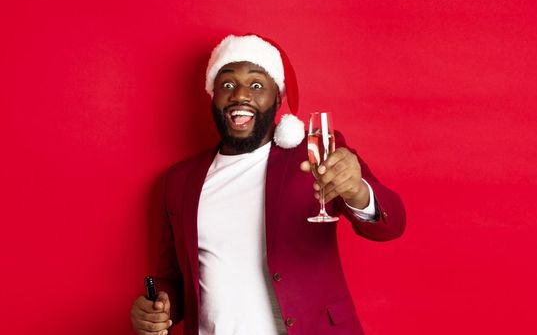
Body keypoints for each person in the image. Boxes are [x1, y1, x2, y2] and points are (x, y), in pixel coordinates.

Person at [130, 34, 406, 335]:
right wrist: (155, 310)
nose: (240, 95)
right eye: (227, 84)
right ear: (213, 96)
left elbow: (391, 225)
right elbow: (172, 278)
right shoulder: (179, 181)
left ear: (278, 97)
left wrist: (357, 191)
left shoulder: (316, 153)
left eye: (257, 85)